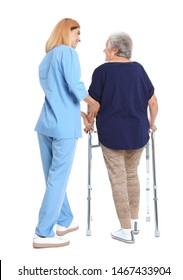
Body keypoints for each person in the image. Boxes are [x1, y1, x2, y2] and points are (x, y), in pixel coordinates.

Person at [33, 18, 100, 249]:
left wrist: (78, 113)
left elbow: (58, 92)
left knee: (53, 179)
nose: (79, 38)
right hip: (63, 129)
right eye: (77, 33)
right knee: (57, 179)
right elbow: (75, 85)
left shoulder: (47, 57)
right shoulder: (68, 53)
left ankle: (63, 220)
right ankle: (42, 234)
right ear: (66, 31)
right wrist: (93, 103)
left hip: (46, 125)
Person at [87, 32, 158, 244]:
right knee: (131, 175)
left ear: (115, 49)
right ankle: (134, 222)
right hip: (138, 134)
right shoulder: (139, 69)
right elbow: (153, 102)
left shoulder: (102, 71)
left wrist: (89, 122)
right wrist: (152, 123)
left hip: (113, 135)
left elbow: (94, 104)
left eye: (106, 47)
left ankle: (125, 229)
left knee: (119, 178)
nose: (103, 51)